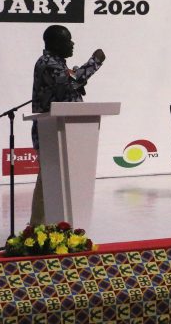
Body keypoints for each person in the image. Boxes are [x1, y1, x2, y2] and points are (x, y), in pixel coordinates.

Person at [29, 25, 105, 225]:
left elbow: (70, 83)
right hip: (51, 130)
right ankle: (39, 227)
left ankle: (61, 224)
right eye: (67, 40)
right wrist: (95, 61)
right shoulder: (48, 63)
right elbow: (72, 81)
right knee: (48, 180)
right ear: (55, 43)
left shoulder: (58, 63)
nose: (72, 44)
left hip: (66, 130)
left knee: (59, 180)